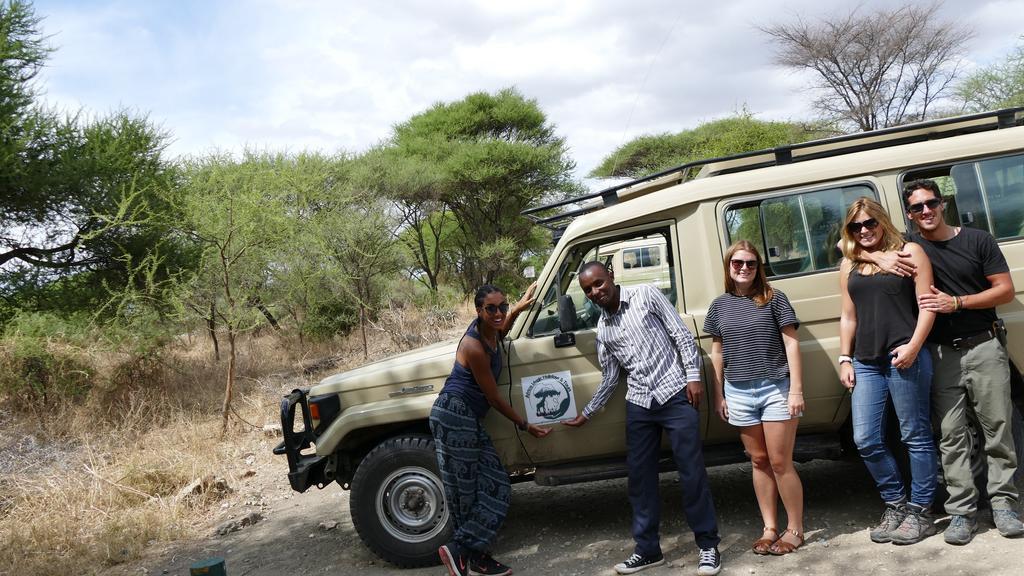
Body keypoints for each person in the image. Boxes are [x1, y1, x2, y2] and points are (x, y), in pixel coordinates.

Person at [868, 179, 1023, 544]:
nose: (926, 211)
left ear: (942, 204)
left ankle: (1003, 506)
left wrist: (956, 303)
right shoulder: (909, 248)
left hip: (984, 345)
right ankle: (962, 513)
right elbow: (849, 243)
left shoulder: (978, 240)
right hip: (939, 352)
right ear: (908, 214)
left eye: (931, 203)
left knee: (997, 429)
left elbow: (1005, 289)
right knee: (951, 436)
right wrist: (877, 256)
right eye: (917, 207)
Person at [564, 263, 722, 576]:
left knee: (692, 474)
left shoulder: (646, 294)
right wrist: (587, 413)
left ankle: (708, 546)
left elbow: (680, 334)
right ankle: (648, 550)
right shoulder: (604, 330)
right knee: (639, 480)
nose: (596, 291)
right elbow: (611, 377)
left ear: (610, 276)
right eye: (588, 290)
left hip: (676, 393)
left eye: (599, 283)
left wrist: (693, 377)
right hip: (639, 404)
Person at [838, 197, 939, 545]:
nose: (864, 231)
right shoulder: (849, 263)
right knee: (865, 438)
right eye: (856, 226)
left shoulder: (910, 253)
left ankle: (921, 510)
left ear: (882, 222)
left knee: (915, 436)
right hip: (866, 362)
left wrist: (913, 346)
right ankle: (895, 503)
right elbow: (848, 316)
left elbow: (927, 306)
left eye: (870, 223)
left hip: (904, 356)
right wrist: (844, 358)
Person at [431, 283, 550, 576]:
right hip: (454, 415)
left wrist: (520, 307)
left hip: (466, 417)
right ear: (478, 311)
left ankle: (475, 559)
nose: (499, 313)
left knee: (479, 487)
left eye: (503, 306)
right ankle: (461, 551)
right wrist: (525, 425)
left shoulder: (491, 331)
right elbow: (493, 398)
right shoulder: (473, 346)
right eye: (491, 309)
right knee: (484, 487)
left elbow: (502, 329)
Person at [704, 241, 805, 555]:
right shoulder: (719, 305)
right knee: (759, 462)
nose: (744, 268)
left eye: (750, 263)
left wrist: (796, 390)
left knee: (779, 462)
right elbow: (717, 352)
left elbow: (791, 345)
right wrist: (719, 395)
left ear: (758, 266)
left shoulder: (774, 298)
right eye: (737, 263)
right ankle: (769, 528)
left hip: (775, 388)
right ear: (728, 266)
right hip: (738, 392)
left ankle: (795, 529)